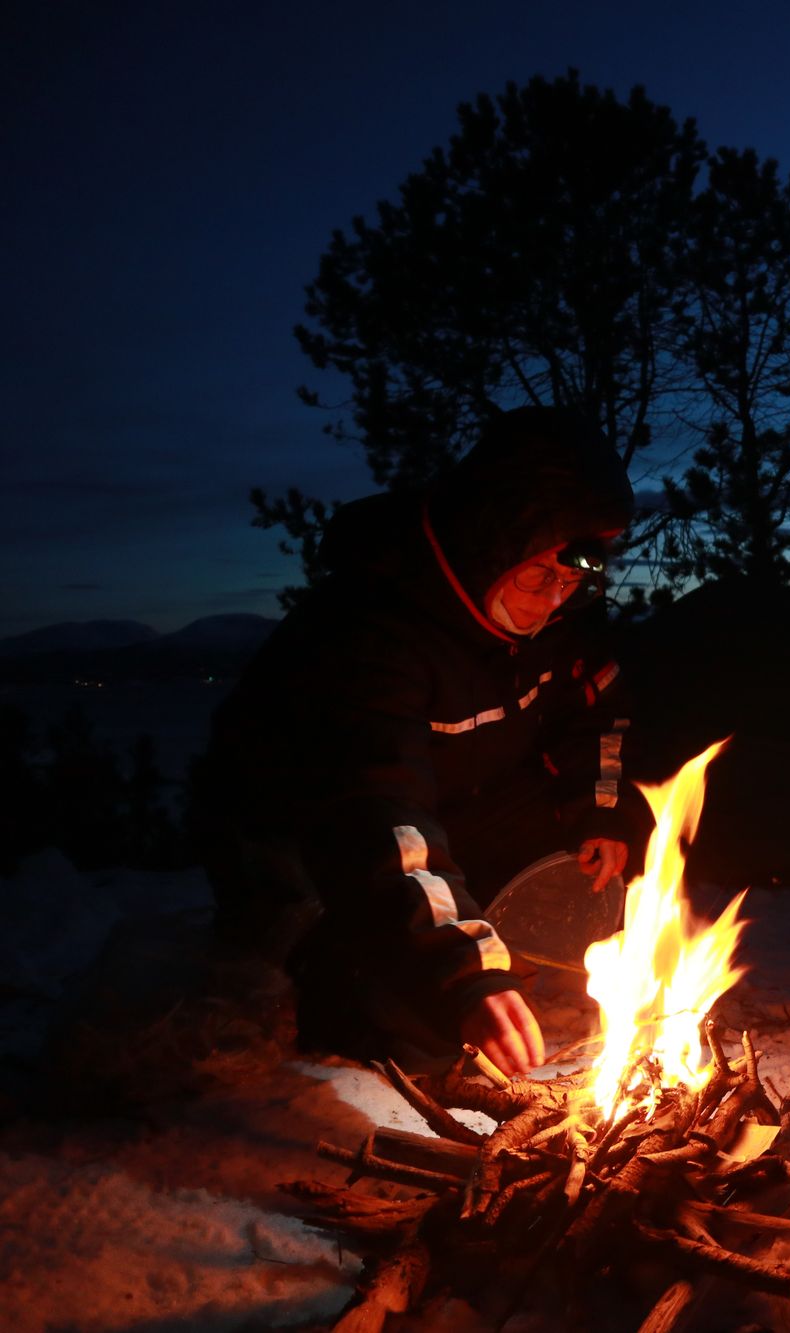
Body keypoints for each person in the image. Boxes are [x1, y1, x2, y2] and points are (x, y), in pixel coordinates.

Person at [196, 406, 654, 1077]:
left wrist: (601, 809)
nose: (555, 597)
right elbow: (379, 817)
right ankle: (331, 973)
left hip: (441, 809)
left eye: (572, 578)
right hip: (307, 847)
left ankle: (470, 945)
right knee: (411, 1020)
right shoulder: (371, 639)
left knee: (587, 880)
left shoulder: (558, 622)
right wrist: (464, 976)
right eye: (539, 573)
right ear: (494, 539)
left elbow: (598, 711)